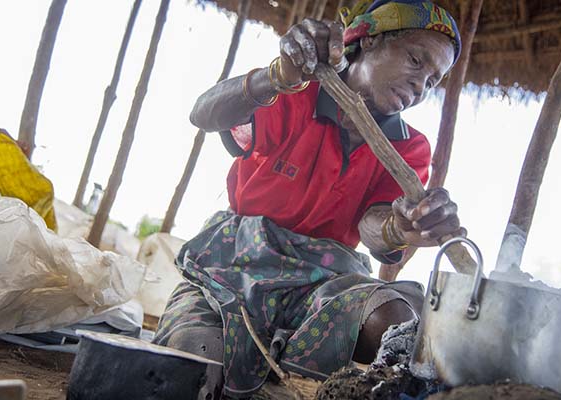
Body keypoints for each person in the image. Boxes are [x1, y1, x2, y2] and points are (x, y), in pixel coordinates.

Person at [154, 0, 465, 398]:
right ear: (367, 41)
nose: (421, 84)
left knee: (396, 318)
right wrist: (274, 78)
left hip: (324, 283)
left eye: (433, 80)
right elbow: (203, 113)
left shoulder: (410, 146)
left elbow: (373, 228)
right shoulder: (294, 91)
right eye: (416, 60)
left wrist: (398, 226)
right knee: (195, 365)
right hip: (231, 270)